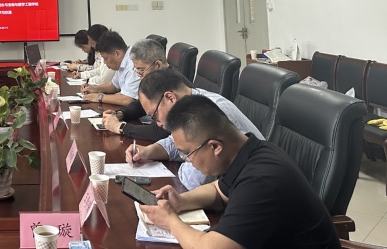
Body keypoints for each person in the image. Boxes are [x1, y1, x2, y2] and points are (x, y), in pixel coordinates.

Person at [139, 95, 341, 249]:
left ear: (215, 147)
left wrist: (170, 221)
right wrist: (181, 201)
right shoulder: (250, 151)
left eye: (188, 153)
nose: (187, 160)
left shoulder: (261, 180)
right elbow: (218, 190)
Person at [125, 68, 263, 190]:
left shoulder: (207, 112)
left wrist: (183, 162)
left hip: (255, 187)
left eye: (155, 116)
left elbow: (195, 181)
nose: (158, 124)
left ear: (170, 98)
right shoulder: (193, 104)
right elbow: (175, 142)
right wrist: (148, 151)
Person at [101, 37, 170, 140]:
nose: (139, 75)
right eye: (137, 70)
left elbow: (161, 131)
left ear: (158, 65)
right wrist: (120, 114)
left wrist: (119, 127)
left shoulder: (173, 87)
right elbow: (141, 105)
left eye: (141, 70)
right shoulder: (157, 79)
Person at [80, 29, 138, 106]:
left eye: (105, 58)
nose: (104, 62)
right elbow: (114, 86)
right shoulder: (123, 60)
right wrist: (94, 89)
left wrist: (99, 97)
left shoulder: (133, 63)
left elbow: (128, 99)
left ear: (117, 53)